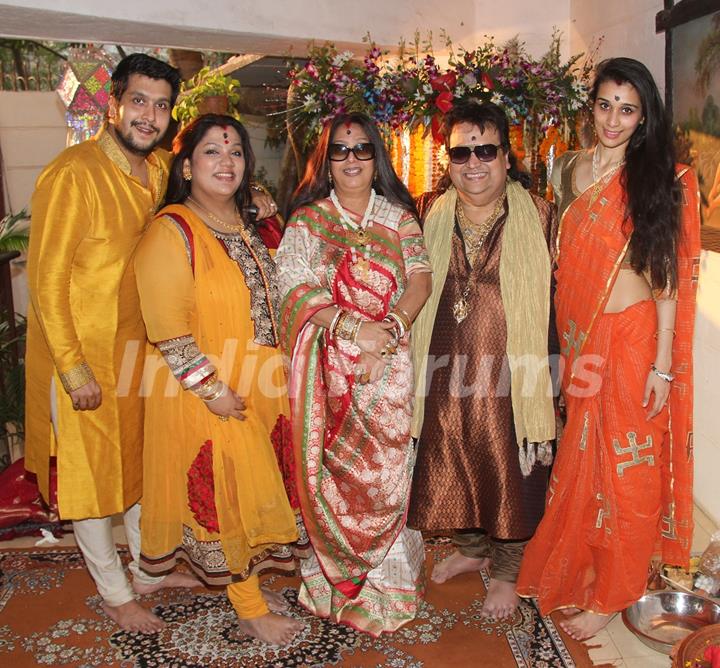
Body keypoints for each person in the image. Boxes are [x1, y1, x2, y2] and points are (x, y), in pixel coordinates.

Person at [516, 57, 701, 640]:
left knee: (627, 469)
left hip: (633, 338)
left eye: (628, 110)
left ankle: (616, 592)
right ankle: (589, 570)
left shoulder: (664, 179)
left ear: (644, 117)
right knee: (583, 459)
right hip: (581, 339)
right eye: (604, 105)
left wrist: (663, 368)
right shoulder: (570, 171)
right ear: (589, 105)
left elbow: (667, 279)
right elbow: (562, 264)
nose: (613, 120)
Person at [23, 54, 200, 634]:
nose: (150, 115)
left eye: (162, 105)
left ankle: (148, 571)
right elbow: (46, 279)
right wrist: (72, 369)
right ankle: (116, 592)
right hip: (83, 356)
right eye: (140, 100)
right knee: (91, 480)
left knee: (138, 469)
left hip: (138, 355)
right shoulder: (72, 172)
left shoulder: (159, 170)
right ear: (115, 102)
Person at [134, 114, 306, 645]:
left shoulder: (246, 226)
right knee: (226, 496)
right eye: (212, 151)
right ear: (186, 166)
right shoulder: (172, 230)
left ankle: (250, 585)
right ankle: (250, 609)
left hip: (261, 385)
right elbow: (167, 328)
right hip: (207, 393)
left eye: (235, 152)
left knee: (258, 491)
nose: (225, 161)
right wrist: (212, 391)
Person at [275, 112, 432, 636]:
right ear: (325, 159)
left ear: (376, 156)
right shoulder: (308, 220)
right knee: (328, 476)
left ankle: (384, 589)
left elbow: (420, 280)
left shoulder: (399, 217)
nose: (351, 160)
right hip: (324, 368)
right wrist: (350, 328)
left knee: (385, 474)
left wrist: (386, 330)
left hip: (386, 364)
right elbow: (293, 287)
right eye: (339, 150)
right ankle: (329, 584)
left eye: (362, 149)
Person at [407, 100, 558, 620]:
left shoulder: (539, 213)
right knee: (450, 455)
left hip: (513, 367)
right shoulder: (427, 211)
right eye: (461, 152)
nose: (473, 162)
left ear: (507, 157)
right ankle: (473, 549)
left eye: (486, 149)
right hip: (445, 364)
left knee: (509, 467)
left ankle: (508, 570)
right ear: (448, 160)